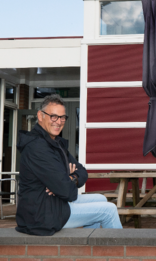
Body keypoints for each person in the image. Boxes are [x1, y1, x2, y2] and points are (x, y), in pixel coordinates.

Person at [16, 94, 122, 236]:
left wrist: (70, 179)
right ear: (40, 116)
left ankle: (89, 246)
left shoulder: (55, 144)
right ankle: (121, 255)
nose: (58, 122)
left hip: (55, 203)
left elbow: (82, 172)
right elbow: (67, 191)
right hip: (41, 215)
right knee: (109, 210)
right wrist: (64, 182)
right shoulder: (37, 147)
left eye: (62, 117)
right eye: (53, 116)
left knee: (101, 198)